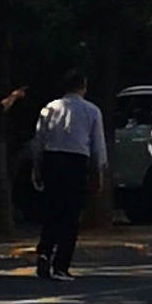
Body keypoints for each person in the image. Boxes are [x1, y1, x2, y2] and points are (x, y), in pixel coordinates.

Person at [28, 73, 106, 283]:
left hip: (52, 160)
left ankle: (44, 251)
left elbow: (38, 140)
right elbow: (97, 144)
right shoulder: (91, 111)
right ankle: (61, 264)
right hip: (76, 162)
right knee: (70, 214)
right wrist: (98, 172)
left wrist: (37, 167)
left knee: (52, 209)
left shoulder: (50, 108)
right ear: (83, 86)